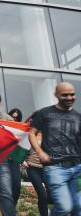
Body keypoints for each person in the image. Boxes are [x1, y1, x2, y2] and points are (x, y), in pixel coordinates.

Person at [29, 82, 81, 215]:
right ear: (56, 95)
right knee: (64, 207)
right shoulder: (45, 113)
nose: (69, 97)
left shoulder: (77, 116)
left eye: (72, 94)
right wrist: (40, 152)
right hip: (55, 167)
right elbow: (31, 133)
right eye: (65, 95)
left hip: (77, 168)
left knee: (78, 207)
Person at [21, 112, 49, 216]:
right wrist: (22, 161)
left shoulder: (48, 132)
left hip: (47, 167)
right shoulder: (28, 133)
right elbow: (19, 149)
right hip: (32, 167)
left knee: (51, 194)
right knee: (42, 195)